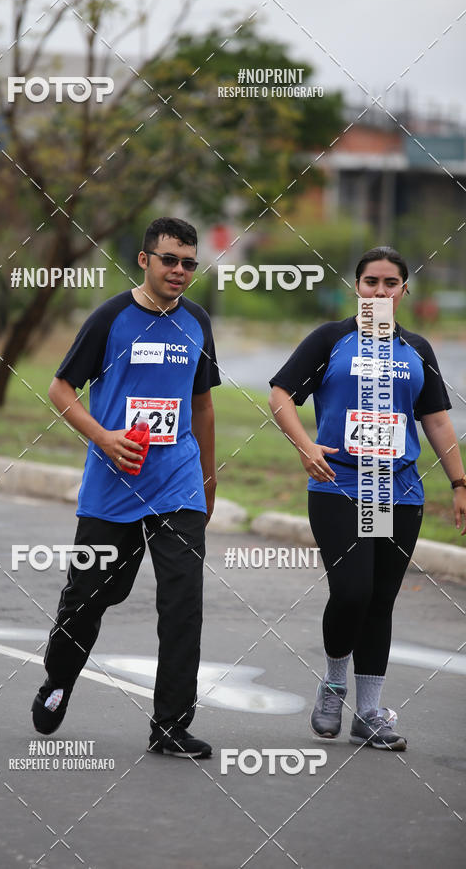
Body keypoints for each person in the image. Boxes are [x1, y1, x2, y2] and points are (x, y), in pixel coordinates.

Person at [32, 217, 220, 758]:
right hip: (113, 487)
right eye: (170, 260)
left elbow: (203, 404)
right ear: (144, 260)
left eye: (189, 262)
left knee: (183, 603)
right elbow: (60, 388)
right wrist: (104, 438)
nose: (180, 271)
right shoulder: (112, 318)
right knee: (91, 597)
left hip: (177, 484)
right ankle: (59, 680)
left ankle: (170, 726)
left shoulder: (198, 323)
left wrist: (208, 477)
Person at [269, 246, 466, 751]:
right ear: (356, 287)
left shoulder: (417, 348)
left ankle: (371, 711)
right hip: (340, 485)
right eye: (371, 282)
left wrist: (460, 483)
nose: (380, 291)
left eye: (390, 283)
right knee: (352, 591)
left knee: (380, 601)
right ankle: (334, 684)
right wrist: (305, 444)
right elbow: (280, 394)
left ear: (405, 290)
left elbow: (438, 419)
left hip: (398, 491)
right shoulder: (331, 339)